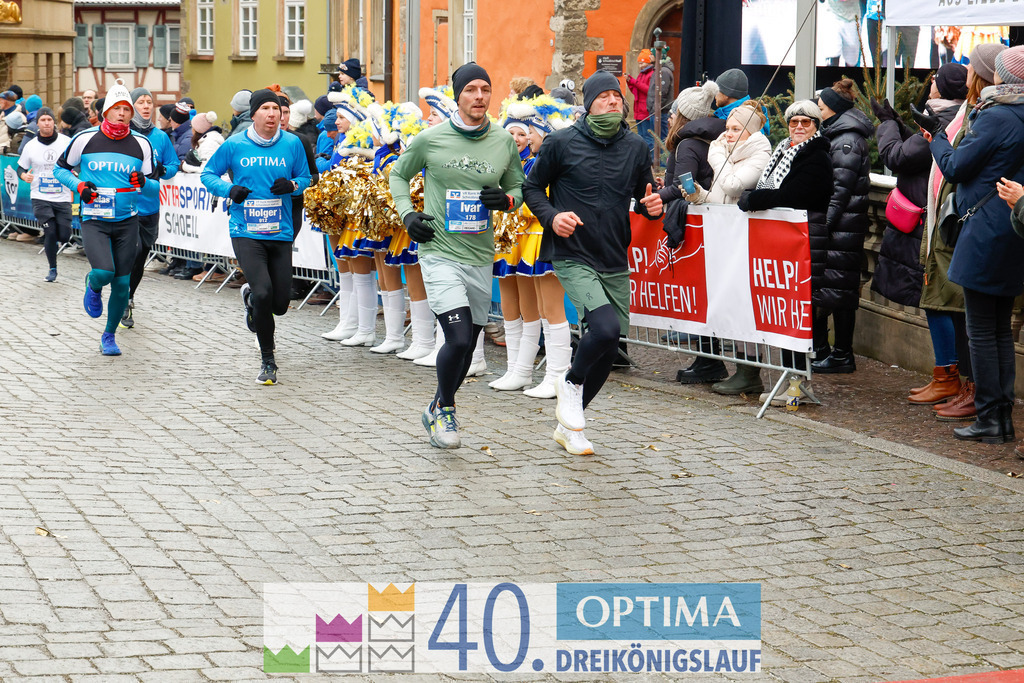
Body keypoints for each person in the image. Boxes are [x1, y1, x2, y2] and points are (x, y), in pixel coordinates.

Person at [523, 70, 664, 456]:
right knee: (601, 329)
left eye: (616, 96)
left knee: (609, 343)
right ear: (588, 104)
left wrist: (653, 209)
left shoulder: (635, 147)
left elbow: (645, 198)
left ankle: (571, 425)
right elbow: (531, 187)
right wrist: (552, 217)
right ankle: (569, 383)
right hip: (572, 252)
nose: (612, 101)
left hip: (614, 253)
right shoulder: (561, 142)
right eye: (603, 96)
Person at [389, 63, 526, 449]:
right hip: (439, 252)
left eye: (486, 88)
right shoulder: (431, 139)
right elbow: (398, 175)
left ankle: (436, 404)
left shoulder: (501, 140)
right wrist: (408, 214)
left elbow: (517, 183)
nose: (479, 96)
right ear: (457, 95)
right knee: (459, 334)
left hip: (480, 255)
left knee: (468, 343)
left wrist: (508, 199)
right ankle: (446, 408)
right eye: (471, 90)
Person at [929, 46, 1024, 444]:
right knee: (999, 329)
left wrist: (935, 137)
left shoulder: (999, 115)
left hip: (987, 232)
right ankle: (998, 418)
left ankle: (991, 419)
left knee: (983, 332)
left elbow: (955, 166)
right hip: (1013, 231)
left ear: (1002, 77)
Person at [870, 62, 968, 411]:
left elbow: (896, 156)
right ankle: (947, 376)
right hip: (931, 218)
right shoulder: (950, 115)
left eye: (935, 81)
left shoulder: (943, 120)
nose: (930, 85)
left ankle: (949, 377)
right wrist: (897, 122)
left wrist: (885, 125)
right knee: (940, 300)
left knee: (936, 300)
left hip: (930, 222)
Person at [201, 89, 311, 385]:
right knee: (264, 292)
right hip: (246, 230)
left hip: (280, 231)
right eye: (265, 108)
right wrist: (229, 190)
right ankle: (268, 359)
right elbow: (208, 174)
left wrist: (291, 186)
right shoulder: (235, 144)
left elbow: (306, 178)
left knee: (279, 304)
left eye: (276, 108)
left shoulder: (292, 144)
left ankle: (251, 301)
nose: (272, 114)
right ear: (254, 114)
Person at [53, 79, 160, 357]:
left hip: (127, 221)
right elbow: (60, 170)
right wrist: (79, 186)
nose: (123, 113)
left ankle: (109, 335)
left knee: (123, 283)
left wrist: (143, 182)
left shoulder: (142, 144)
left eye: (127, 109)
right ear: (106, 111)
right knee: (104, 272)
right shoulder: (84, 139)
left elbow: (154, 184)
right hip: (95, 219)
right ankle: (93, 283)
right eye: (117, 108)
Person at [736, 101, 834, 404]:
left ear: (817, 126)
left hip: (805, 240)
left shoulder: (817, 156)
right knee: (785, 311)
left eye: (807, 122)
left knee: (799, 312)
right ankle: (789, 377)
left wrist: (756, 198)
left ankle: (798, 383)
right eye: (794, 122)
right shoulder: (783, 150)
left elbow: (796, 193)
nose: (800, 127)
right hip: (784, 241)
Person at [810, 78, 874, 374]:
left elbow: (839, 190)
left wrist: (824, 225)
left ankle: (840, 355)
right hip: (839, 229)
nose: (817, 112)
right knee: (829, 291)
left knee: (840, 293)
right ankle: (826, 351)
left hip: (840, 230)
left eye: (820, 107)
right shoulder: (839, 134)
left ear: (833, 109)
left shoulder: (846, 140)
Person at [120, 87, 180, 329]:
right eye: (141, 102)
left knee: (140, 257)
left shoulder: (160, 137)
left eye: (149, 102)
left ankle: (129, 294)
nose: (146, 106)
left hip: (149, 208)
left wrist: (164, 171)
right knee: (129, 254)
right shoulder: (122, 135)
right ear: (132, 106)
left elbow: (174, 163)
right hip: (125, 206)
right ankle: (123, 300)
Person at [17, 107, 73, 280]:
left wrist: (75, 173)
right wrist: (24, 175)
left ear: (54, 122)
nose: (47, 123)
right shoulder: (31, 145)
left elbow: (77, 161)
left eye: (49, 120)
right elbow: (21, 167)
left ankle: (58, 238)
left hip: (62, 195)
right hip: (40, 196)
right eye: (43, 120)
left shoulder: (66, 141)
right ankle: (52, 269)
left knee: (64, 235)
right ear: (38, 123)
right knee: (49, 232)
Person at [713, 69, 770, 136]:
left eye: (716, 91)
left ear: (727, 93)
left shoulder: (747, 120)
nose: (714, 95)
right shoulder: (729, 115)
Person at [626, 50, 655, 155]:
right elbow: (636, 91)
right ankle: (644, 157)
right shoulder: (641, 75)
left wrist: (634, 81)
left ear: (648, 62)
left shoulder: (651, 74)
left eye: (642, 63)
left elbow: (648, 90)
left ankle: (650, 158)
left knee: (648, 137)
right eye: (639, 64)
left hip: (646, 110)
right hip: (639, 110)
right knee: (641, 136)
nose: (640, 66)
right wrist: (629, 82)